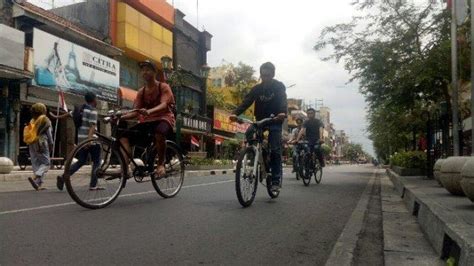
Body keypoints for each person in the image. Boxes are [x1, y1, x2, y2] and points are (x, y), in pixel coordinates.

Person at [229, 62, 287, 192]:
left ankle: (276, 179)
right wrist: (235, 113)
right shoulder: (256, 89)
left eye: (267, 75)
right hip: (260, 120)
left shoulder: (278, 86)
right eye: (262, 74)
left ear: (273, 74)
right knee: (249, 132)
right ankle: (255, 156)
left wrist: (282, 112)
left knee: (276, 149)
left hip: (275, 120)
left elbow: (283, 100)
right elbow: (246, 102)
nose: (264, 77)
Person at [119, 59, 176, 178]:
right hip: (147, 121)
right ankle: (125, 167)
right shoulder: (141, 92)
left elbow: (164, 104)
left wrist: (149, 111)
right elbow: (136, 112)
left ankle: (161, 164)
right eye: (143, 70)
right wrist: (120, 116)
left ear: (154, 72)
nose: (145, 72)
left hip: (164, 118)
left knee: (159, 133)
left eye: (148, 70)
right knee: (124, 136)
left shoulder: (163, 87)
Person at [56, 92, 102, 191]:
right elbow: (92, 126)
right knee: (97, 162)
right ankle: (93, 185)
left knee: (81, 161)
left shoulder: (80, 110)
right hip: (92, 140)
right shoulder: (93, 110)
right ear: (94, 100)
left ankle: (64, 177)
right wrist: (89, 140)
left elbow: (68, 114)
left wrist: (56, 117)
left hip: (81, 140)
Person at [26, 103, 54, 191]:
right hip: (41, 142)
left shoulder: (32, 120)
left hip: (32, 143)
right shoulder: (45, 119)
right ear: (43, 110)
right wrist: (51, 143)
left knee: (36, 163)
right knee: (46, 163)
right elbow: (49, 133)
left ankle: (38, 183)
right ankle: (36, 175)